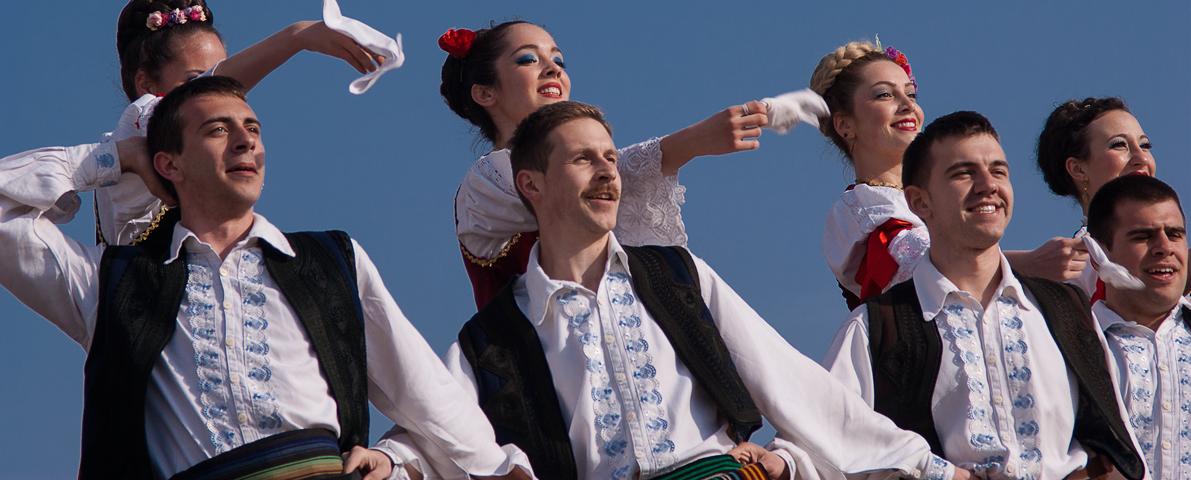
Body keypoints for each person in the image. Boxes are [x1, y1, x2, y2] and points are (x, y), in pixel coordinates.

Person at [0, 76, 525, 480]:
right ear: (168, 164)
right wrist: (114, 157)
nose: (246, 142)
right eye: (217, 130)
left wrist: (412, 460)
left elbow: (425, 393)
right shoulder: (111, 283)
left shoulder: (330, 261)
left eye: (253, 129)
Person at [410, 101, 971, 480]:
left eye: (611, 158)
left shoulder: (677, 276)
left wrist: (929, 467)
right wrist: (390, 460)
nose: (607, 173)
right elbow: (431, 426)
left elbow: (793, 382)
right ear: (530, 184)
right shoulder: (495, 334)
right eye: (583, 159)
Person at [824, 111, 1144, 480]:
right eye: (963, 173)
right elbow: (823, 442)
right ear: (920, 202)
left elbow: (1117, 446)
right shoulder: (877, 327)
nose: (988, 185)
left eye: (998, 171)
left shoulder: (1066, 310)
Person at [439, 22, 825, 308]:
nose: (554, 68)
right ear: (485, 93)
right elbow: (573, 182)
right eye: (528, 59)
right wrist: (693, 140)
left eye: (559, 60)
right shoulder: (485, 184)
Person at [92, 0, 387, 247]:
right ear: (146, 85)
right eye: (196, 80)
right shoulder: (133, 131)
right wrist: (296, 37)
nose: (217, 97)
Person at [810, 40, 1083, 308]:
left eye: (911, 94)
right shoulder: (859, 209)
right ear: (845, 124)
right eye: (885, 95)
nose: (907, 105)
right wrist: (1030, 264)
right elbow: (918, 265)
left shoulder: (937, 192)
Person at [1086, 175, 1188, 480]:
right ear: (1098, 255)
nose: (1165, 247)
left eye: (1175, 234)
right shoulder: (1065, 345)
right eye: (1143, 236)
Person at [1036, 97, 1158, 296]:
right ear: (1078, 169)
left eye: (1145, 145)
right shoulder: (1077, 264)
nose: (1142, 158)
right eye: (1119, 145)